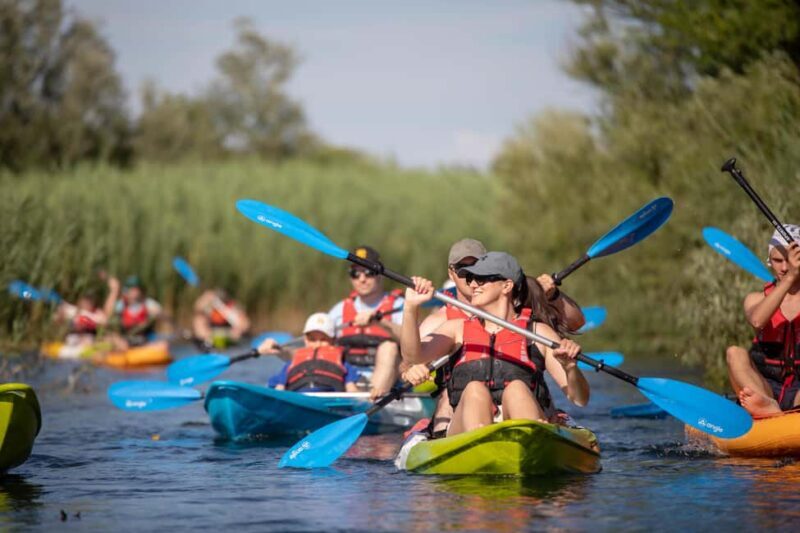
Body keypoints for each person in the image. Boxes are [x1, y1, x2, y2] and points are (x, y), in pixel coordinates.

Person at [402, 239, 587, 437]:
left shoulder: (538, 332)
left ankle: (528, 440)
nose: (472, 284)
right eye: (470, 277)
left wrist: (570, 369)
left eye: (480, 279)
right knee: (474, 390)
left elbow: (580, 399)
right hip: (468, 429)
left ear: (507, 286)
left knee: (516, 388)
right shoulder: (456, 329)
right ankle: (481, 445)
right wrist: (411, 307)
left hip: (520, 424)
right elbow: (413, 357)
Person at [726, 225, 800, 416]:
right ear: (769, 261)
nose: (784, 268)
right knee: (735, 353)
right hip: (766, 390)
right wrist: (791, 276)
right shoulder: (756, 299)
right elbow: (758, 320)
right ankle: (768, 408)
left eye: (789, 262)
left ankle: (790, 413)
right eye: (777, 260)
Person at [328, 246, 404, 399]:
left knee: (389, 348)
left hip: (389, 380)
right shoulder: (338, 310)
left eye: (369, 272)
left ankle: (369, 403)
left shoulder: (399, 306)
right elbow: (316, 346)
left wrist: (380, 322)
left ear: (380, 275)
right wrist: (282, 352)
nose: (362, 279)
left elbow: (414, 342)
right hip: (348, 379)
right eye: (356, 273)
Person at [259, 312, 360, 392]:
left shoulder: (343, 364)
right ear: (305, 340)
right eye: (312, 339)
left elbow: (351, 389)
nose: (317, 344)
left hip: (331, 403)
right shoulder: (291, 364)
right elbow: (279, 388)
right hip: (299, 400)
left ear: (333, 341)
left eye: (323, 339)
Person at [103, 275, 163, 350]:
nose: (135, 292)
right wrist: (114, 290)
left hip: (143, 339)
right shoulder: (121, 305)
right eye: (132, 289)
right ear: (127, 291)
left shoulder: (148, 303)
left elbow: (160, 313)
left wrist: (158, 314)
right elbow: (107, 313)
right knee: (111, 338)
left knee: (162, 345)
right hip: (125, 339)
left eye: (137, 289)